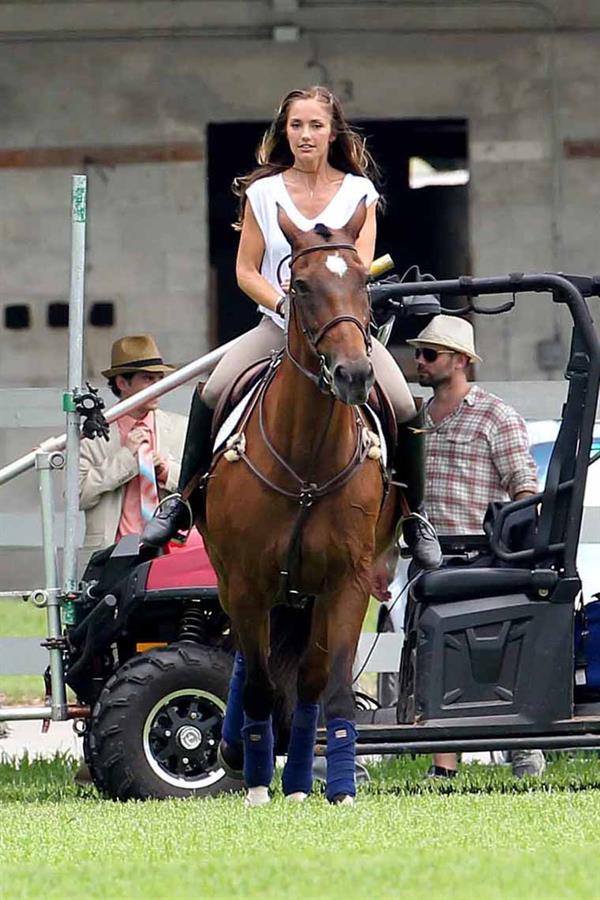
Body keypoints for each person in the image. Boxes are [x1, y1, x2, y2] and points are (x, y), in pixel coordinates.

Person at [142, 85, 441, 570]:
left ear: (332, 133)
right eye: (296, 125)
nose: (305, 135)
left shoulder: (360, 193)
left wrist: (328, 306)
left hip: (339, 326)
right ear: (285, 131)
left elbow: (357, 269)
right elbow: (245, 271)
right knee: (212, 390)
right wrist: (283, 304)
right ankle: (181, 500)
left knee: (404, 403)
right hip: (278, 322)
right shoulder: (263, 193)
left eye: (316, 125)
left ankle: (414, 516)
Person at [406, 314, 545, 778]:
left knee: (487, 657)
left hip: (481, 553)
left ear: (461, 361)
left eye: (430, 354)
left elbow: (525, 488)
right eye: (418, 353)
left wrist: (514, 550)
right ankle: (443, 766)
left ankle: (520, 746)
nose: (419, 362)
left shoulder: (495, 416)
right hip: (429, 553)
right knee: (433, 656)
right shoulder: (415, 421)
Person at [79, 334, 188, 554]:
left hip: (170, 551)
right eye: (148, 379)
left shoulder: (180, 427)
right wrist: (126, 459)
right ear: (122, 383)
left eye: (160, 379)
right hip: (111, 551)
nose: (158, 387)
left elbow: (201, 489)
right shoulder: (93, 435)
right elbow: (79, 496)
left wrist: (166, 471)